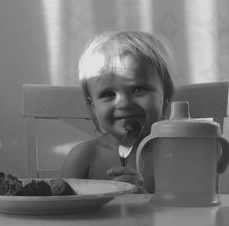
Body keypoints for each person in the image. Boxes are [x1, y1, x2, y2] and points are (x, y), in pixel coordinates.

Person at [60, 30, 175, 193]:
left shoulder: (177, 155)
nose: (125, 103)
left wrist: (144, 199)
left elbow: (189, 214)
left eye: (138, 89)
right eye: (108, 94)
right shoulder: (83, 157)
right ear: (93, 107)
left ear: (166, 99)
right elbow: (63, 211)